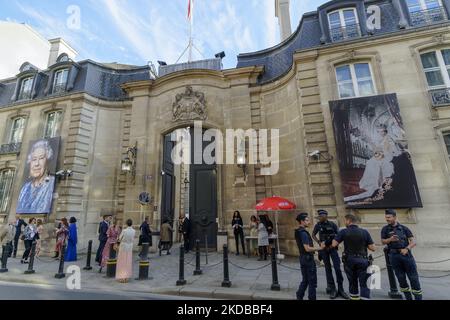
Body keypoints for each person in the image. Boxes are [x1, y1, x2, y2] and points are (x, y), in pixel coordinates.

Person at [332, 214, 376, 300]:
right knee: (364, 283)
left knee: (353, 282)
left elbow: (334, 244)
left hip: (349, 261)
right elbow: (373, 248)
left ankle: (354, 298)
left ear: (349, 220)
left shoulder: (344, 231)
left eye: (345, 221)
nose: (345, 222)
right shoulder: (364, 232)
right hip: (363, 260)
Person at [381, 209, 422, 300]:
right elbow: (383, 241)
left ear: (394, 217)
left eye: (389, 217)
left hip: (406, 256)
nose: (387, 219)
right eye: (386, 217)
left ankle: (418, 298)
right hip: (394, 256)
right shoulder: (385, 229)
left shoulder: (404, 228)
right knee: (401, 278)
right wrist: (390, 239)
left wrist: (407, 248)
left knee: (413, 278)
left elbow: (413, 241)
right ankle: (408, 298)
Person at [312, 210, 349, 300]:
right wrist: (319, 242)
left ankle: (341, 289)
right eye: (319, 216)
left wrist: (333, 243)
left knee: (337, 268)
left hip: (332, 249)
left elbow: (338, 235)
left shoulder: (332, 224)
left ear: (326, 216)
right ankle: (332, 289)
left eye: (321, 216)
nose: (320, 217)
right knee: (328, 269)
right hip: (324, 250)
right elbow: (313, 234)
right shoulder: (318, 225)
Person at [17, 140, 56, 214]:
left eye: (41, 158)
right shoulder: (25, 188)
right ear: (30, 162)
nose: (37, 164)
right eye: (34, 159)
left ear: (47, 161)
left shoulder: (51, 183)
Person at [295, 213, 325, 301]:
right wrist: (320, 248)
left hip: (303, 258)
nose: (309, 222)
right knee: (312, 282)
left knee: (305, 280)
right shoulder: (303, 233)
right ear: (302, 221)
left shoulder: (298, 231)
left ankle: (299, 295)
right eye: (307, 220)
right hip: (307, 259)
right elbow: (307, 248)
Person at [116, 219, 136, 283]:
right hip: (130, 247)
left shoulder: (124, 231)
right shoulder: (133, 231)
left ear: (126, 223)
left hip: (123, 247)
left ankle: (122, 277)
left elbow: (119, 238)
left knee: (122, 262)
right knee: (128, 262)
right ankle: (127, 277)